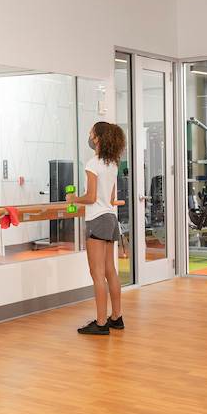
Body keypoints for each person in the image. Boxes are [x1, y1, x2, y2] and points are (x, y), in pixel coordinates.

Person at [68, 121, 126, 335]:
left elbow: (91, 197)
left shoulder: (93, 163)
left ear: (98, 138)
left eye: (91, 133)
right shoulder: (112, 164)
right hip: (110, 218)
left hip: (97, 220)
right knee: (110, 271)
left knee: (97, 273)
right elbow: (110, 198)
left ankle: (101, 323)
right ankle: (116, 317)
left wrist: (74, 198)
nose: (90, 137)